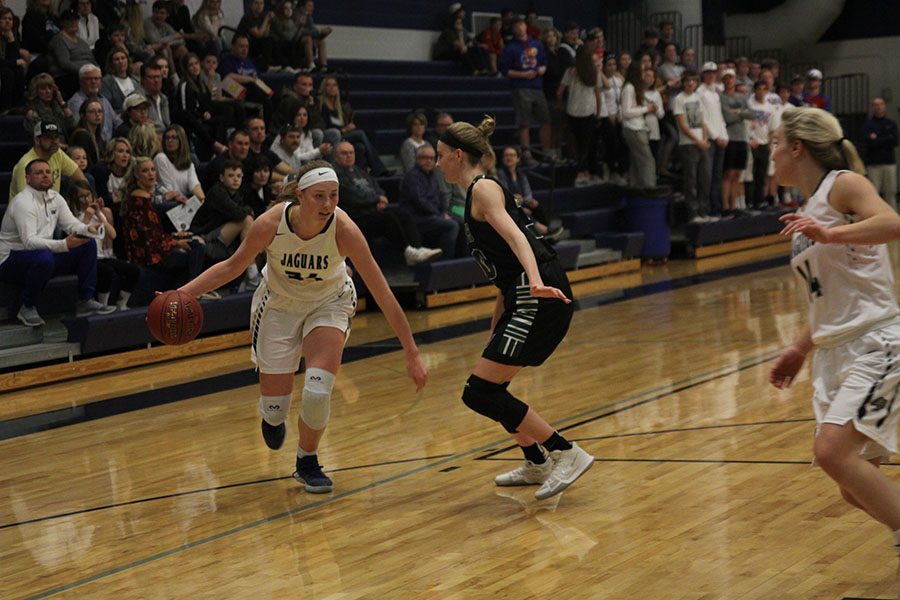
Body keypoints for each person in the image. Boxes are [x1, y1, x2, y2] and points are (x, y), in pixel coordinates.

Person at [177, 160, 428, 492]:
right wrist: (181, 294)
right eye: (319, 196)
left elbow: (383, 292)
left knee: (317, 390)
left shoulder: (344, 229)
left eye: (334, 196)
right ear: (299, 195)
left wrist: (411, 352)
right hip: (279, 305)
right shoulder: (270, 223)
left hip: (330, 302)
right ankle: (271, 415)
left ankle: (307, 460)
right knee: (275, 407)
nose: (327, 205)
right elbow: (232, 266)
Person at [435, 116, 594, 499]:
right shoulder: (476, 192)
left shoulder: (483, 190)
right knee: (492, 387)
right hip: (522, 294)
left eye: (441, 156)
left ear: (458, 155)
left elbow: (519, 241)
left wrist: (537, 282)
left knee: (479, 392)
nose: (437, 163)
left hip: (538, 295)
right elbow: (504, 275)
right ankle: (536, 462)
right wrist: (496, 326)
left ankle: (565, 452)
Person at [769, 107, 900, 555]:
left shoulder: (843, 184)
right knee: (852, 486)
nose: (770, 153)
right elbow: (828, 298)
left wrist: (830, 235)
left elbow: (892, 223)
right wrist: (799, 348)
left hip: (877, 343)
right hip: (834, 351)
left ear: (796, 147)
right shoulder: (808, 213)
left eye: (774, 144)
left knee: (832, 452)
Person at [0, 158, 116, 327]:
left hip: (42, 255)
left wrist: (87, 230)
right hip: (10, 260)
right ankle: (27, 307)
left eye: (47, 172)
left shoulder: (55, 197)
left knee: (87, 243)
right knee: (44, 258)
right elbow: (29, 242)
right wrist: (64, 245)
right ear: (27, 178)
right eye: (38, 173)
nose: (45, 176)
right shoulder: (22, 202)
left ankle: (85, 300)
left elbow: (70, 224)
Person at [333, 141, 441, 265]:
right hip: (356, 217)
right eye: (344, 153)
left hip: (372, 211)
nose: (349, 156)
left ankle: (417, 250)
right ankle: (408, 251)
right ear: (336, 156)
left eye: (351, 153)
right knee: (388, 218)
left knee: (403, 214)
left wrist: (381, 196)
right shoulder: (336, 175)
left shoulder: (359, 171)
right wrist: (376, 200)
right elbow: (352, 197)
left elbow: (376, 186)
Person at [119, 155, 206, 284]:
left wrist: (175, 238)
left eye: (153, 169)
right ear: (137, 175)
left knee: (197, 246)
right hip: (147, 253)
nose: (151, 174)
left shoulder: (147, 195)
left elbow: (155, 233)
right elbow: (148, 238)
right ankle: (191, 291)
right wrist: (175, 242)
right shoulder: (139, 199)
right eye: (145, 171)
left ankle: (186, 292)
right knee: (193, 254)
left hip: (156, 245)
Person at [66, 178, 139, 310]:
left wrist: (99, 213)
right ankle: (102, 305)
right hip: (85, 259)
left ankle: (121, 303)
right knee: (106, 272)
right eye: (81, 197)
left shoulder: (97, 215)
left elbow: (112, 234)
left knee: (133, 270)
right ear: (75, 199)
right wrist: (87, 217)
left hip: (101, 257)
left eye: (88, 195)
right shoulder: (72, 217)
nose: (86, 199)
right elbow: (80, 235)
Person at [190, 160, 258, 288]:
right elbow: (238, 214)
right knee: (247, 220)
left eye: (238, 176)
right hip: (204, 237)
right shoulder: (217, 192)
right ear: (222, 178)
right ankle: (252, 275)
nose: (235, 180)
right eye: (231, 176)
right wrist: (249, 210)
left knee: (254, 230)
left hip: (222, 234)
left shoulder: (237, 194)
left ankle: (249, 276)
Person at [399, 144, 464, 260]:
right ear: (417, 159)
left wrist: (444, 212)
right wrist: (440, 215)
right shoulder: (412, 176)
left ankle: (463, 261)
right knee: (452, 225)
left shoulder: (432, 175)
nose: (429, 161)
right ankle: (445, 262)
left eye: (432, 158)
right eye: (425, 158)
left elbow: (441, 197)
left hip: (433, 216)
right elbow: (420, 201)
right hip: (418, 218)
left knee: (463, 223)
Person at [500, 17, 550, 166]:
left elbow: (544, 62)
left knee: (546, 120)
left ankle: (547, 152)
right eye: (516, 26)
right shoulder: (511, 48)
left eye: (521, 25)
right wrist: (522, 74)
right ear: (513, 30)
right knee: (524, 122)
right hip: (520, 88)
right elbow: (505, 70)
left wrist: (542, 69)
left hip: (537, 86)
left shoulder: (537, 44)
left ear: (525, 26)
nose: (520, 28)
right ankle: (526, 153)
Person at [318, 75, 389, 176]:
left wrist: (348, 127)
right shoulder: (321, 106)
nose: (332, 88)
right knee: (360, 134)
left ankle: (359, 175)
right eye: (328, 85)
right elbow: (325, 128)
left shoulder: (340, 106)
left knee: (360, 147)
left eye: (334, 85)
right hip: (331, 138)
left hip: (344, 136)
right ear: (323, 88)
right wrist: (344, 130)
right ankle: (378, 168)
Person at [10, 121, 87, 199]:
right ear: (37, 140)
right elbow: (26, 201)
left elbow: (81, 179)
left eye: (56, 137)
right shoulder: (25, 165)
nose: (54, 141)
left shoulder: (57, 153)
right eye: (48, 137)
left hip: (51, 206)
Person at [673, 69, 710, 221]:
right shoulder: (679, 99)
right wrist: (698, 140)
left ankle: (703, 210)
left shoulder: (698, 97)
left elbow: (702, 120)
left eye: (693, 81)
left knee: (705, 178)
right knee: (691, 179)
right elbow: (682, 125)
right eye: (688, 81)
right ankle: (692, 212)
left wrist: (705, 139)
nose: (691, 83)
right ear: (683, 83)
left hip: (702, 143)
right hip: (688, 144)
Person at [719, 68, 755, 215]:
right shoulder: (721, 97)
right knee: (728, 173)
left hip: (742, 138)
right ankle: (725, 206)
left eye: (731, 78)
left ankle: (734, 206)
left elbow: (752, 114)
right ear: (723, 80)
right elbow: (726, 117)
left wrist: (737, 113)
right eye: (726, 78)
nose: (729, 81)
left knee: (737, 174)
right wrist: (741, 114)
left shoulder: (742, 97)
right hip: (729, 137)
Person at [620, 62, 657, 188]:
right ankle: (649, 189)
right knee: (647, 161)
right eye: (642, 71)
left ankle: (636, 189)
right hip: (633, 128)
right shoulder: (629, 88)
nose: (644, 74)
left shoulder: (633, 87)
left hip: (637, 127)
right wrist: (646, 109)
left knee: (636, 163)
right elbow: (626, 112)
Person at [67, 63, 121, 143]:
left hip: (110, 146)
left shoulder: (103, 100)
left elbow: (117, 123)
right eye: (89, 79)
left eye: (96, 78)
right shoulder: (76, 102)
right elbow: (79, 130)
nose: (93, 82)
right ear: (81, 82)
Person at [863, 97, 898, 211]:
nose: (879, 107)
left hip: (889, 163)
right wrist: (887, 138)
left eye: (881, 104)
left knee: (891, 192)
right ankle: (876, 216)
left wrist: (878, 138)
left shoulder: (891, 124)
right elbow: (870, 143)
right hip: (874, 163)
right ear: (873, 107)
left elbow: (895, 141)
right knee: (874, 193)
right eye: (876, 105)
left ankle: (893, 219)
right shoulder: (868, 125)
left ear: (885, 106)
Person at [154, 124, 205, 203]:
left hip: (183, 202)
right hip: (169, 203)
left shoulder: (189, 164)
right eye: (167, 138)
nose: (170, 141)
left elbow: (195, 185)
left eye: (174, 137)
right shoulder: (160, 158)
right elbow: (169, 190)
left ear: (181, 140)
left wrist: (202, 200)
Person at [24, 73, 77, 140]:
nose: (48, 91)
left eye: (50, 88)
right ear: (36, 91)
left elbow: (72, 126)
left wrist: (61, 102)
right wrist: (67, 147)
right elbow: (43, 139)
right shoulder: (32, 113)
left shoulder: (57, 108)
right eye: (43, 89)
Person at [101, 45, 140, 113]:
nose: (120, 61)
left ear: (127, 61)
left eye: (123, 58)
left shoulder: (136, 80)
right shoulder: (106, 82)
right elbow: (107, 107)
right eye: (116, 59)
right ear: (111, 63)